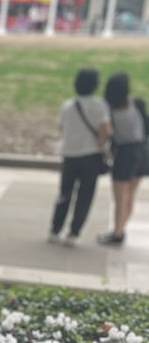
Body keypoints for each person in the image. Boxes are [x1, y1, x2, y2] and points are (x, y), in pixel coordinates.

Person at [48, 67, 112, 245]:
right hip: (90, 156)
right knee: (85, 196)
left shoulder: (68, 105)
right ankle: (74, 233)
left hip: (69, 154)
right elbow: (105, 129)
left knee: (64, 194)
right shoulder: (100, 105)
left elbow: (61, 128)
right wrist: (101, 143)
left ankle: (55, 229)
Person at [98, 72, 148, 246]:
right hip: (143, 152)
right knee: (130, 195)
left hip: (125, 154)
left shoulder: (109, 110)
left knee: (120, 198)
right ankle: (121, 228)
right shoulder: (139, 104)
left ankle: (117, 232)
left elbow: (108, 134)